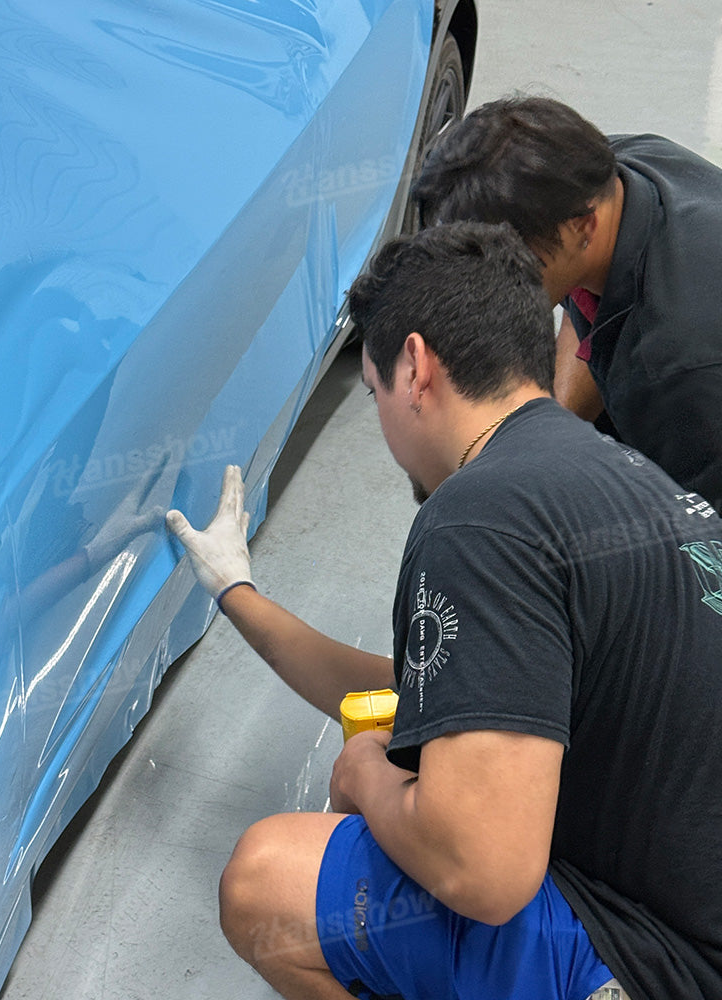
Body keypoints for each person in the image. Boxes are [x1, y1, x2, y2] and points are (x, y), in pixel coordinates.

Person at [165, 222, 722, 1000]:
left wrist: (366, 775)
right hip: (686, 914)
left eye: (374, 392)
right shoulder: (605, 471)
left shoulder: (478, 516)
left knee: (267, 881)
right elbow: (430, 686)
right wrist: (237, 593)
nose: (383, 424)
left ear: (416, 367)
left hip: (655, 965)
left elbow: (483, 874)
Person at [411, 96, 722, 511]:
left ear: (582, 226)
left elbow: (699, 536)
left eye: (508, 264)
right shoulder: (612, 171)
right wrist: (543, 430)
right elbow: (587, 304)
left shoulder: (672, 368)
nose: (484, 290)